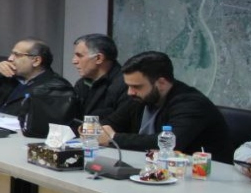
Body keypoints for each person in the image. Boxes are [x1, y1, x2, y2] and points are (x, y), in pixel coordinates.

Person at [98, 51, 231, 156]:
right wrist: (95, 130)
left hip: (200, 174)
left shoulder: (192, 104)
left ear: (161, 83)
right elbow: (110, 123)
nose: (130, 92)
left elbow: (169, 142)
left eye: (136, 86)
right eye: (128, 86)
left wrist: (114, 138)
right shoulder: (139, 98)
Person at [0, 38, 72, 116]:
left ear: (36, 61)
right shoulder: (5, 76)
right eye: (12, 53)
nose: (10, 58)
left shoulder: (56, 88)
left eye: (17, 55)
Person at [70, 33, 128, 121]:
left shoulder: (126, 84)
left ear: (99, 58)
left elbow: (121, 122)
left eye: (79, 56)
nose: (74, 61)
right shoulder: (82, 84)